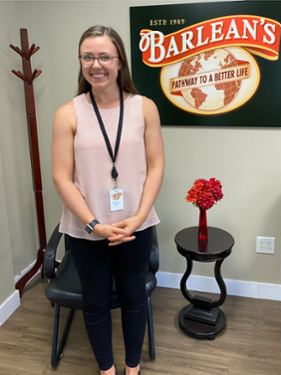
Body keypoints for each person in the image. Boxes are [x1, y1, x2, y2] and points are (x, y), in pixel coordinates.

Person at [51, 25, 164, 375]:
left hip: (135, 225)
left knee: (133, 297)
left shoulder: (144, 108)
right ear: (81, 62)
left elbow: (157, 165)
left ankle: (132, 367)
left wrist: (141, 215)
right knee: (95, 300)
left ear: (119, 62)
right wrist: (94, 224)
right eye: (88, 56)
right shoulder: (67, 113)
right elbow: (61, 177)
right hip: (86, 230)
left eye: (104, 56)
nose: (95, 64)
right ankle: (107, 369)